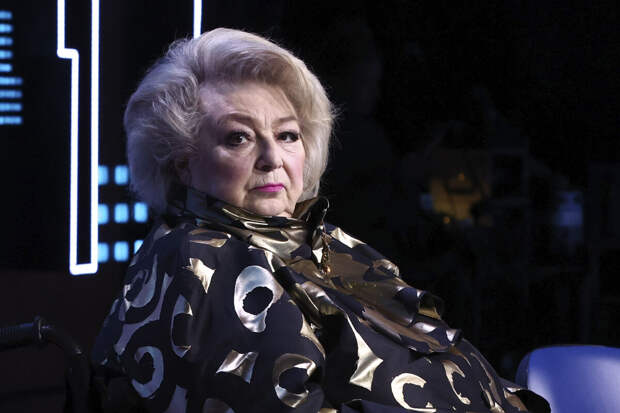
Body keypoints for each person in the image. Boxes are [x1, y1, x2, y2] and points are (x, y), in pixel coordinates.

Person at [91, 28, 548, 413]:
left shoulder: (321, 239)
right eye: (238, 138)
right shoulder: (200, 258)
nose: (272, 158)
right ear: (181, 163)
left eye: (287, 135)